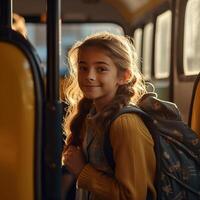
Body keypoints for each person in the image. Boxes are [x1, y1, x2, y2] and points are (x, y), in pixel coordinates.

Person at [62, 32, 156, 200]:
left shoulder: (126, 124)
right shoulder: (91, 115)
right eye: (83, 68)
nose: (89, 76)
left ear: (124, 76)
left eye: (101, 69)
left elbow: (132, 196)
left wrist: (82, 171)